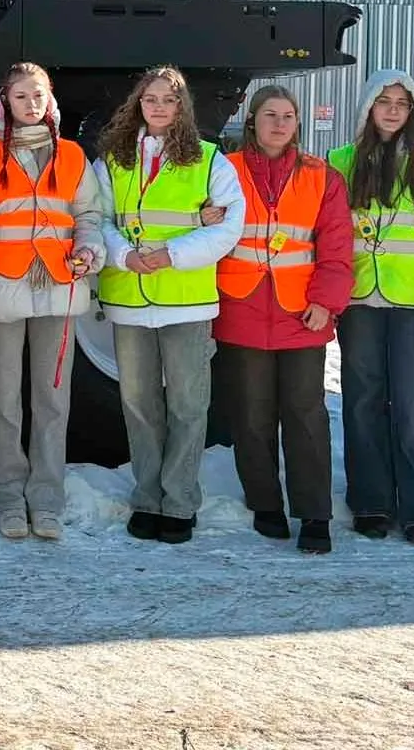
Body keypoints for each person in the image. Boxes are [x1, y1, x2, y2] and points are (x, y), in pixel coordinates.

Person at [92, 65, 244, 545]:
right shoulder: (113, 160)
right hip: (130, 297)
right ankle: (147, 497)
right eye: (150, 99)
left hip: (187, 301)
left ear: (182, 108)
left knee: (187, 404)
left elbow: (228, 227)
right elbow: (94, 218)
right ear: (138, 104)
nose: (158, 107)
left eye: (168, 100)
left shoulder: (209, 159)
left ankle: (179, 502)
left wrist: (171, 255)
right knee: (138, 404)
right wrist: (124, 254)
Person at [0, 63, 106, 541]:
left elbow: (89, 215)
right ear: (5, 102)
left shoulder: (72, 157)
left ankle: (46, 501)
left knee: (52, 401)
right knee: (2, 401)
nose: (32, 104)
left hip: (60, 289)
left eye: (39, 95)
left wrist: (89, 250)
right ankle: (7, 499)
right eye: (21, 96)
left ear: (51, 101)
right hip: (2, 292)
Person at [213, 84, 353, 554]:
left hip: (302, 313)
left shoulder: (322, 176)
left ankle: (314, 513)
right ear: (252, 121)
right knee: (250, 414)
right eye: (270, 114)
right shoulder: (223, 171)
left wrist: (326, 302)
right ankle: (265, 503)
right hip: (241, 305)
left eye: (288, 116)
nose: (279, 123)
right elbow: (202, 227)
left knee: (306, 413)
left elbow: (336, 247)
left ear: (298, 123)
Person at [326, 69, 414, 546]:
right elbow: (328, 232)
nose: (391, 110)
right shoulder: (339, 163)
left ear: (413, 113)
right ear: (368, 107)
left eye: (401, 104)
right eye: (383, 101)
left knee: (413, 405)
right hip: (358, 299)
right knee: (362, 402)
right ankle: (371, 502)